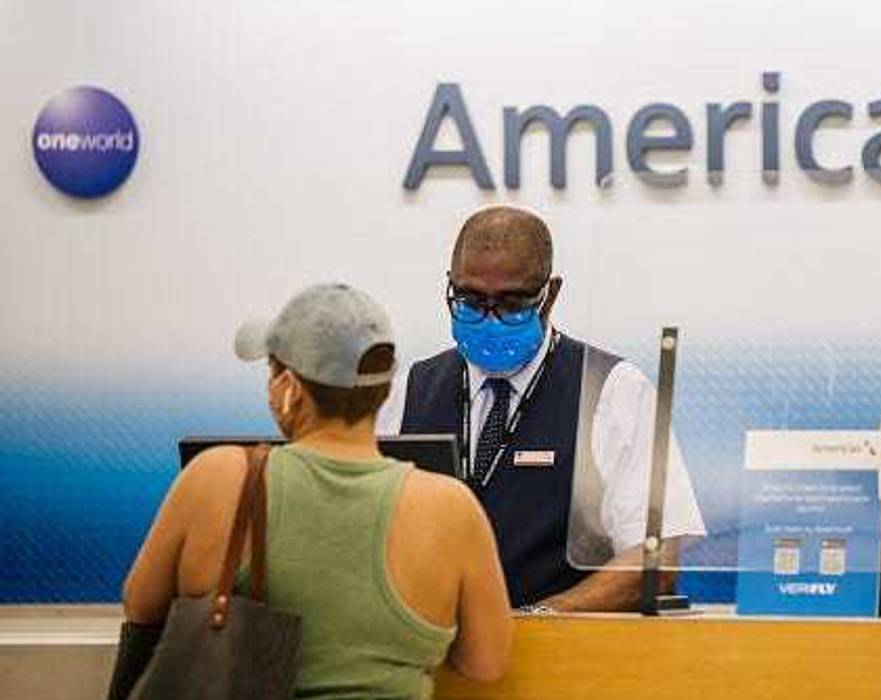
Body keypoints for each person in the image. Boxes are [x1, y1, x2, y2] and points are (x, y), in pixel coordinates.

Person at [123, 283, 511, 699]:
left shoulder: (219, 478)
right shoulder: (450, 509)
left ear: (288, 387)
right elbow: (485, 662)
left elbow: (140, 605)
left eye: (271, 372)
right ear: (383, 387)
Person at [394, 206, 706, 613]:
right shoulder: (409, 389)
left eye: (511, 303)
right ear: (450, 284)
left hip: (561, 643)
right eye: (470, 299)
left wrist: (543, 618)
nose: (490, 317)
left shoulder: (612, 390)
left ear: (550, 294)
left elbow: (654, 560)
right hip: (429, 642)